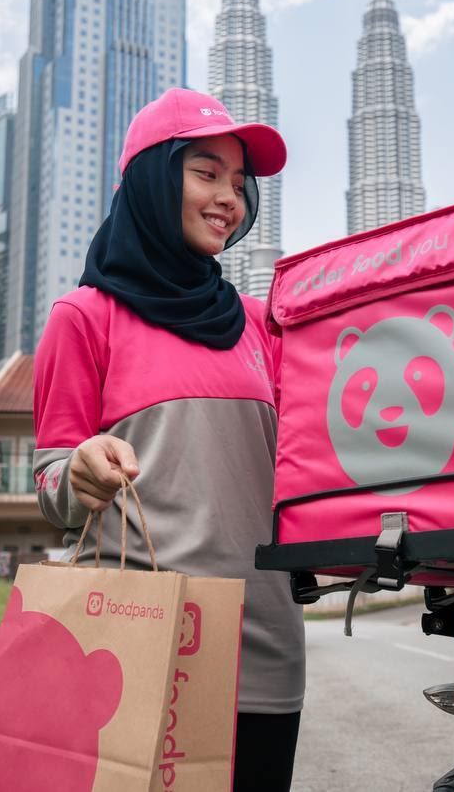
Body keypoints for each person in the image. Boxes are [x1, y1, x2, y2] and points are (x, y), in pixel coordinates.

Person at [32, 87, 304, 791]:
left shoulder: (262, 326)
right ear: (153, 180)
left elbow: (304, 464)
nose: (229, 199)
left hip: (266, 645)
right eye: (207, 173)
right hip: (136, 643)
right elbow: (50, 477)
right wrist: (78, 472)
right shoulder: (84, 318)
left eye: (238, 183)